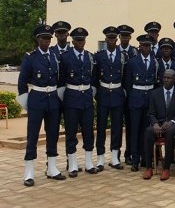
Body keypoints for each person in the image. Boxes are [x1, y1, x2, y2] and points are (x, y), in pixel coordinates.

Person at [18, 25, 66, 187]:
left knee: (53, 134)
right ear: (37, 39)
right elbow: (22, 82)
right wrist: (27, 104)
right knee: (33, 136)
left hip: (52, 99)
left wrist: (59, 99)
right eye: (43, 38)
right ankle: (29, 172)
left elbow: (59, 80)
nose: (46, 41)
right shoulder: (30, 58)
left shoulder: (54, 56)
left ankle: (52, 168)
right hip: (37, 99)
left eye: (48, 38)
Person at [58, 27, 97, 177]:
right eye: (78, 40)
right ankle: (73, 163)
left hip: (86, 98)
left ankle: (88, 162)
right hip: (71, 98)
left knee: (88, 131)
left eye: (83, 40)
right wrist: (65, 99)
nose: (81, 42)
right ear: (72, 40)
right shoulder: (65, 57)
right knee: (71, 132)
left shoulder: (90, 57)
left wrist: (90, 93)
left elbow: (93, 79)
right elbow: (61, 81)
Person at [124, 34, 160, 172]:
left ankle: (146, 157)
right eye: (144, 45)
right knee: (134, 130)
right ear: (139, 46)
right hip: (136, 98)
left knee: (147, 131)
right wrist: (131, 98)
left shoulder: (155, 61)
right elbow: (128, 83)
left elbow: (156, 82)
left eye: (148, 46)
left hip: (149, 98)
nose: (146, 48)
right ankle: (135, 158)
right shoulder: (132, 62)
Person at [93, 26, 126, 172]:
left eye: (114, 38)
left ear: (117, 39)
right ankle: (100, 158)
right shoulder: (99, 56)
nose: (111, 40)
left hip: (118, 93)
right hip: (103, 93)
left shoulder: (123, 56)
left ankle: (115, 157)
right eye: (109, 38)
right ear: (105, 39)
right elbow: (94, 78)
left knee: (117, 127)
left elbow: (125, 77)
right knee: (101, 127)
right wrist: (96, 93)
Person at [142, 69, 175, 180]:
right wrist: (155, 124)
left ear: (174, 80)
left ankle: (166, 168)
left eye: (169, 78)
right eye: (164, 77)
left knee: (170, 132)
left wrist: (172, 122)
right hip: (158, 124)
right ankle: (149, 167)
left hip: (172, 124)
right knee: (148, 132)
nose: (166, 80)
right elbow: (151, 113)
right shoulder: (155, 93)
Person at [117, 24, 138, 165]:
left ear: (130, 37)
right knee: (119, 126)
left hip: (132, 96)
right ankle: (116, 153)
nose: (125, 38)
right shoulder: (114, 52)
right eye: (122, 36)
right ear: (119, 37)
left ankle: (130, 152)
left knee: (132, 126)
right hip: (117, 94)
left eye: (127, 36)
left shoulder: (135, 52)